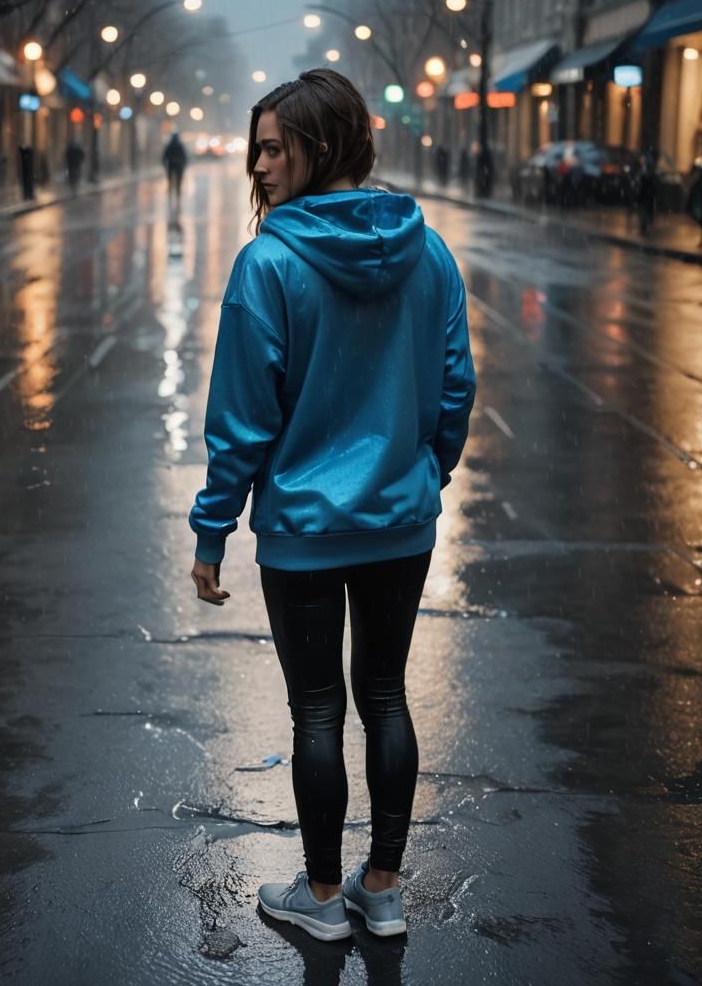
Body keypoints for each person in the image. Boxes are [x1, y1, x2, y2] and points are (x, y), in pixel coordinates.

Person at [188, 69, 476, 943]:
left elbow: (242, 417)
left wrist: (213, 528)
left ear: (322, 144)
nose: (261, 166)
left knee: (318, 710)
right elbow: (455, 386)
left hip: (304, 534)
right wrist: (425, 475)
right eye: (257, 149)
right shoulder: (427, 251)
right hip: (400, 522)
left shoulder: (270, 263)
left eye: (275, 148)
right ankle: (381, 890)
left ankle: (320, 900)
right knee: (385, 695)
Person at [162, 131, 188, 211]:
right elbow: (184, 157)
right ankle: (178, 196)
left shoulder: (169, 145)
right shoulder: (180, 146)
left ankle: (171, 196)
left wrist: (165, 166)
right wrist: (183, 166)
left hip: (171, 166)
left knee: (170, 182)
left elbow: (164, 157)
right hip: (178, 166)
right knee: (178, 183)